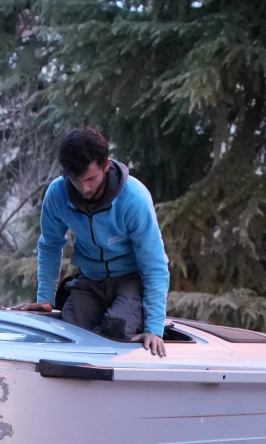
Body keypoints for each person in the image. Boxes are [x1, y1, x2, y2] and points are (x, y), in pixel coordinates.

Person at [15, 127, 170, 357]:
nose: (84, 188)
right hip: (91, 279)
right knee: (64, 335)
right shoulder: (57, 194)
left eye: (90, 179)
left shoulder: (133, 198)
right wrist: (45, 300)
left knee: (117, 330)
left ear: (106, 166)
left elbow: (154, 264)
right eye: (76, 180)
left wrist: (154, 329)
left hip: (131, 279)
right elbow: (50, 245)